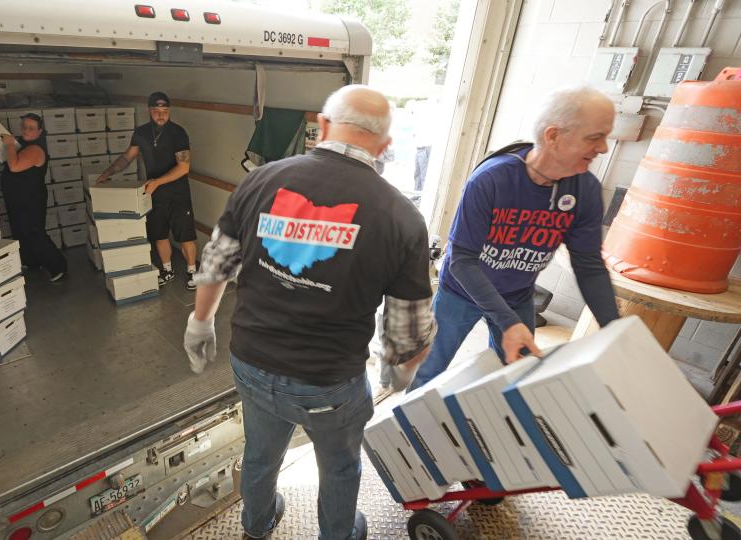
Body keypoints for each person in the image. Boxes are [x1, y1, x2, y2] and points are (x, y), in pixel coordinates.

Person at [184, 85, 437, 540]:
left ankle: (256, 526)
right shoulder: (401, 216)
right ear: (385, 147)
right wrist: (402, 370)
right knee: (339, 467)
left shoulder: (260, 180)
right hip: (328, 383)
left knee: (261, 453)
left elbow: (217, 260)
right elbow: (406, 329)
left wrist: (199, 322)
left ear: (321, 127)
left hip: (251, 363)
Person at [407, 85, 622, 392]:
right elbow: (463, 262)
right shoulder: (492, 179)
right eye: (594, 137)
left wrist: (615, 330)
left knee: (519, 377)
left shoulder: (584, 190)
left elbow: (588, 264)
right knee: (429, 372)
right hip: (461, 293)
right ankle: (403, 435)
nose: (603, 148)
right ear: (553, 136)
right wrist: (508, 322)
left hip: (517, 293)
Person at [97, 92, 198, 290]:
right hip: (154, 193)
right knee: (159, 234)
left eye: (165, 111)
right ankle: (167, 270)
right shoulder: (141, 133)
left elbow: (183, 167)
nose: (161, 115)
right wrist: (108, 172)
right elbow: (127, 157)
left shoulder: (178, 133)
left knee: (186, 235)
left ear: (169, 111)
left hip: (178, 193)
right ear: (149, 111)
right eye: (156, 111)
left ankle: (192, 271)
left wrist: (158, 182)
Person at [1, 113, 67, 282]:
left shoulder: (35, 149)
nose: (26, 131)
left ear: (39, 132)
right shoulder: (23, 144)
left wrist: (9, 145)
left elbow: (14, 166)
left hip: (30, 199)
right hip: (17, 197)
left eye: (31, 128)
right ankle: (31, 261)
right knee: (20, 231)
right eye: (24, 126)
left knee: (34, 232)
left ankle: (58, 267)